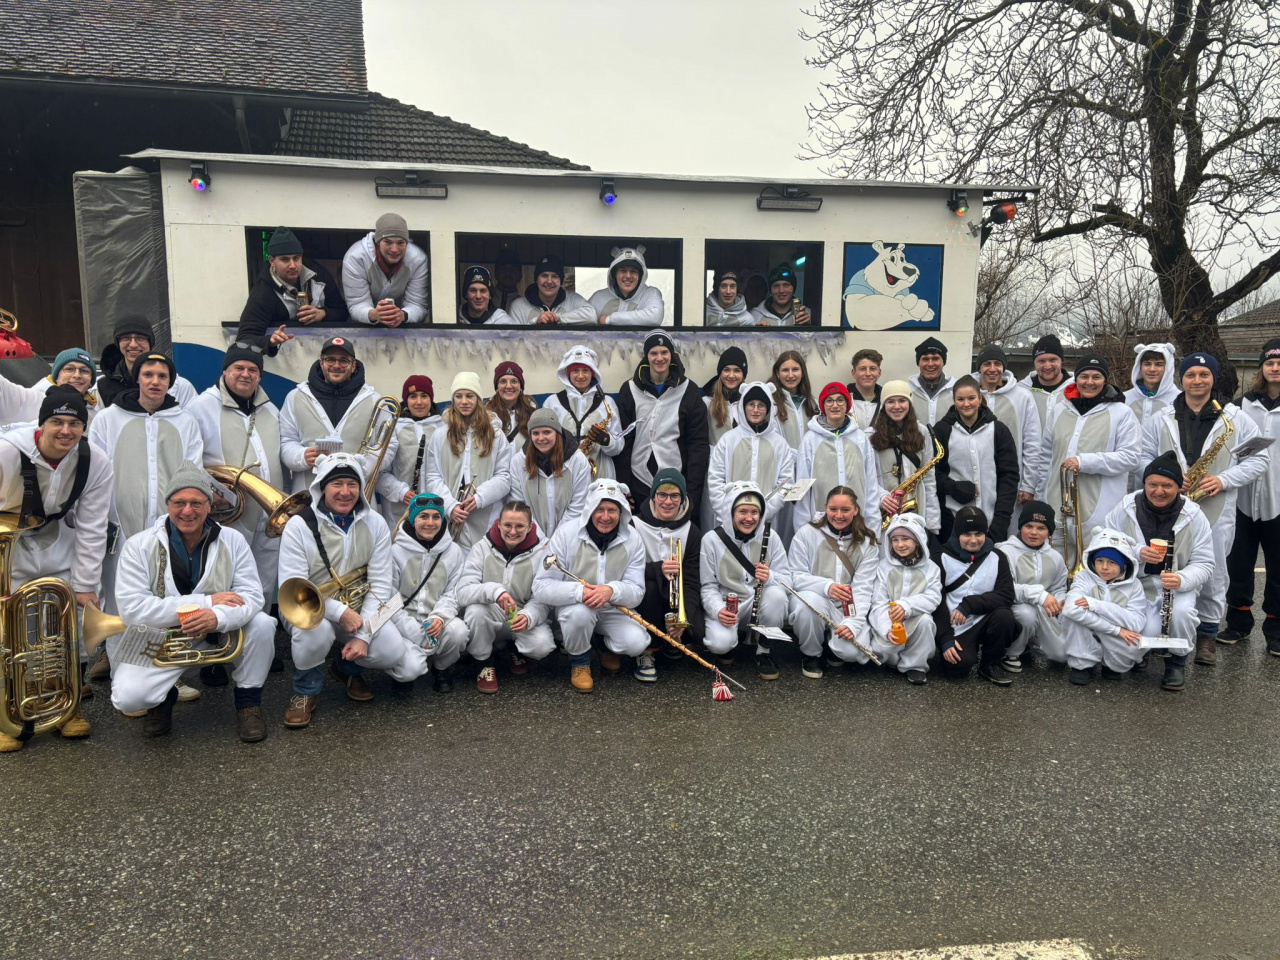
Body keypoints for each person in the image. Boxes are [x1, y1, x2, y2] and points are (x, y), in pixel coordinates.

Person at [110, 462, 274, 742]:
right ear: (168, 505)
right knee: (127, 698)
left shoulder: (233, 539)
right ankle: (163, 699)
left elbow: (252, 594)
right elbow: (132, 610)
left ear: (209, 506)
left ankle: (248, 703)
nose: (188, 511)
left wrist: (218, 618)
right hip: (158, 635)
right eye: (179, 503)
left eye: (197, 503)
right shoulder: (138, 545)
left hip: (217, 631)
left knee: (263, 624)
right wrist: (206, 603)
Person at [278, 454, 428, 727]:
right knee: (316, 632)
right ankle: (305, 690)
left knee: (393, 651)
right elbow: (292, 587)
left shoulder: (376, 523)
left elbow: (381, 585)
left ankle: (345, 668)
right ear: (322, 487)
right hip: (306, 607)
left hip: (362, 605)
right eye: (337, 484)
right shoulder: (298, 525)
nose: (345, 492)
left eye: (352, 484)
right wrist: (340, 612)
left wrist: (363, 637)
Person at [0, 387, 111, 752]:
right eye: (57, 422)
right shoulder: (6, 452)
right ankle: (10, 713)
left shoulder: (95, 461)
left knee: (72, 623)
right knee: (10, 629)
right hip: (9, 544)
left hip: (59, 538)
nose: (65, 430)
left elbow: (93, 525)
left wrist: (85, 584)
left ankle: (69, 705)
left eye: (74, 423)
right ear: (42, 423)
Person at [1140, 352, 1268, 666]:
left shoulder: (1235, 418)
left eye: (1204, 374)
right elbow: (1142, 457)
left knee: (1214, 570)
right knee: (1163, 566)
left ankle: (1207, 634)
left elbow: (1259, 459)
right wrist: (1164, 477)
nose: (1197, 381)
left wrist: (1224, 479)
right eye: (1191, 375)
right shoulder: (1162, 417)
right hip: (1169, 505)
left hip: (1215, 506)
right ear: (1181, 379)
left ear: (1213, 378)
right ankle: (1163, 628)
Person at [88, 352, 204, 614]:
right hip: (120, 525)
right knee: (118, 597)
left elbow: (193, 471)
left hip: (169, 526)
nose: (155, 381)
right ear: (137, 378)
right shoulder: (108, 419)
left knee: (167, 594)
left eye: (162, 376)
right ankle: (117, 641)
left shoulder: (185, 421)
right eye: (148, 375)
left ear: (170, 382)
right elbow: (95, 473)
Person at [189, 338, 284, 620]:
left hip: (270, 514)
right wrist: (211, 492)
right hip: (230, 515)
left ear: (260, 376)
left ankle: (259, 632)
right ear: (225, 371)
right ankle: (225, 634)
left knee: (264, 578)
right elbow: (189, 460)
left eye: (253, 370)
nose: (245, 374)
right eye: (238, 368)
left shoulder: (270, 410)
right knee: (226, 580)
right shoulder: (200, 407)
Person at [1104, 452, 1215, 692]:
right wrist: (1137, 553)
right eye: (1152, 484)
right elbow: (1106, 544)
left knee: (1182, 614)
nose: (1159, 491)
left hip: (1176, 584)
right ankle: (1138, 654)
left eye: (1167, 485)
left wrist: (1182, 579)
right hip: (1136, 582)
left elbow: (1205, 562)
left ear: (1178, 487)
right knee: (1144, 629)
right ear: (1144, 483)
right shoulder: (1125, 507)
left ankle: (1176, 662)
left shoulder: (1194, 515)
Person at [533, 479, 649, 692]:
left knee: (637, 643)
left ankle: (602, 645)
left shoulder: (633, 539)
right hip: (576, 606)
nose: (605, 517)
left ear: (621, 512)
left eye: (612, 510)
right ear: (589, 510)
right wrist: (580, 592)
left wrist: (612, 590)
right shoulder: (566, 534)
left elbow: (637, 591)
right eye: (599, 509)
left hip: (613, 607)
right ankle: (580, 662)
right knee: (579, 616)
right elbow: (541, 587)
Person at [1036, 354, 1142, 573]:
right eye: (1084, 376)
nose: (1090, 382)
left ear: (1105, 380)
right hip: (1058, 502)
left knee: (1096, 568)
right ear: (1076, 379)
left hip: (1100, 508)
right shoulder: (1060, 409)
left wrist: (1085, 461)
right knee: (1057, 567)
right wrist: (1041, 495)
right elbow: (1046, 455)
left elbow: (1130, 456)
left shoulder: (1122, 413)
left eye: (1096, 377)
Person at [455, 501, 556, 695]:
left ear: (530, 527)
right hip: (490, 611)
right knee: (475, 611)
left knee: (542, 645)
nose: (512, 531)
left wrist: (529, 616)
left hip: (521, 613)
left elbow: (543, 598)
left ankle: (512, 647)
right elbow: (463, 591)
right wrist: (495, 591)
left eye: (520, 526)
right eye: (507, 525)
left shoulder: (542, 553)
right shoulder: (482, 547)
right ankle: (484, 662)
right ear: (498, 524)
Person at [699, 481, 792, 680]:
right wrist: (718, 610)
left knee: (777, 596)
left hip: (760, 601)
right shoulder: (711, 540)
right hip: (727, 603)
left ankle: (764, 650)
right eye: (742, 511)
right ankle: (729, 644)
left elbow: (787, 581)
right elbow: (708, 586)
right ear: (730, 512)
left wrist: (770, 577)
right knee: (719, 644)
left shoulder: (771, 537)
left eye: (754, 512)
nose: (749, 518)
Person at [788, 485, 879, 679]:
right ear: (825, 508)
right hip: (815, 598)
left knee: (853, 653)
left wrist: (853, 624)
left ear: (856, 510)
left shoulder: (867, 542)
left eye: (845, 510)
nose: (838, 515)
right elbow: (794, 576)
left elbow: (863, 588)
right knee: (808, 604)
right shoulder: (806, 533)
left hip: (847, 606)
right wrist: (826, 586)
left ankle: (832, 646)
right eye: (833, 509)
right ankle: (812, 653)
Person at [1223, 338, 1280, 653]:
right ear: (1262, 368)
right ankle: (1238, 623)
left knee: (1278, 569)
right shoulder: (1242, 405)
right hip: (1243, 498)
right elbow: (1231, 445)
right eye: (1270, 363)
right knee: (1239, 564)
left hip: (1278, 499)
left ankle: (1276, 630)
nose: (1275, 368)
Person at [616, 331, 710, 512]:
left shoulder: (688, 390)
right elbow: (623, 441)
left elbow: (698, 444)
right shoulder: (630, 389)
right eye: (653, 353)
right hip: (638, 481)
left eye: (664, 352)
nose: (659, 358)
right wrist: (623, 485)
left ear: (671, 354)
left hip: (675, 482)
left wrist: (692, 492)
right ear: (646, 356)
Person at [279, 336, 382, 493]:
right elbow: (286, 440)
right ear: (321, 363)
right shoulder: (295, 397)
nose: (336, 365)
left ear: (353, 366)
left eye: (344, 361)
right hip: (307, 494)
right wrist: (302, 456)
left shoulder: (374, 400)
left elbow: (387, 445)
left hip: (354, 493)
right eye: (330, 359)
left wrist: (362, 466)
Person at [630, 469, 705, 681]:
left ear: (683, 498)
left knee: (699, 631)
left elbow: (692, 581)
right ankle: (648, 649)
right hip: (646, 596)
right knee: (652, 587)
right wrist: (658, 569)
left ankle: (670, 639)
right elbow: (625, 569)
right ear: (653, 496)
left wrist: (684, 617)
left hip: (676, 597)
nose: (668, 502)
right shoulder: (634, 525)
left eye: (674, 496)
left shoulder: (692, 532)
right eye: (662, 495)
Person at [423, 372, 513, 549]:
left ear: (478, 399)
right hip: (451, 518)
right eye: (459, 396)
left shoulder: (495, 435)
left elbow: (504, 477)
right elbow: (433, 477)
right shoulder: (440, 435)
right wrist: (450, 506)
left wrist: (480, 498)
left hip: (487, 518)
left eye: (470, 396)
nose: (464, 401)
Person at [390, 493, 468, 693]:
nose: (430, 523)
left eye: (436, 517)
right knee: (410, 670)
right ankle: (402, 671)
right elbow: (389, 600)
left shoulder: (453, 551)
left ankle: (441, 668)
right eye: (423, 516)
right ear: (412, 519)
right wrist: (415, 633)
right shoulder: (395, 551)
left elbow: (452, 593)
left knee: (458, 632)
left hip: (435, 619)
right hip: (403, 622)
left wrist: (439, 617)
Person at [934, 505, 1019, 685]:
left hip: (985, 618)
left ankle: (990, 663)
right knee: (958, 668)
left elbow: (1006, 595)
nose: (973, 540)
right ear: (957, 533)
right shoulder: (941, 557)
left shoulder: (998, 556)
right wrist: (945, 638)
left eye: (979, 534)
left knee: (1005, 616)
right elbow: (936, 600)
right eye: (967, 534)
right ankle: (956, 652)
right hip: (954, 625)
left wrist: (970, 604)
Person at [934, 376, 1019, 544]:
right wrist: (953, 487)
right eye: (960, 399)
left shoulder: (999, 430)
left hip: (992, 520)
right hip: (952, 520)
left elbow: (1009, 476)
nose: (966, 404)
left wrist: (1001, 519)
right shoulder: (942, 430)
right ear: (954, 401)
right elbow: (933, 473)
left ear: (980, 399)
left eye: (971, 398)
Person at [237, 226, 348, 355]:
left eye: (296, 258)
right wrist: (270, 341)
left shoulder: (319, 276)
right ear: (272, 261)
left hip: (324, 353)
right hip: (285, 357)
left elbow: (343, 312)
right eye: (285, 259)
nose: (293, 265)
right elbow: (244, 339)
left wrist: (323, 314)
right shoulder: (263, 293)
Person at [1062, 527, 1149, 685]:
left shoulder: (1134, 585)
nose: (1104, 567)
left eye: (1112, 562)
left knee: (1133, 641)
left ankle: (1111, 664)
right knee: (1073, 619)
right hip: (1109, 631)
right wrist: (1116, 630)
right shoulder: (1083, 577)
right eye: (1100, 561)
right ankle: (1082, 664)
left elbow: (1136, 622)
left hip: (1114, 637)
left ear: (1124, 563)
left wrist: (1096, 605)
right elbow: (1070, 609)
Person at [794, 382, 884, 535]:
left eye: (840, 400)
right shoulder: (810, 439)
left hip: (856, 523)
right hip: (821, 524)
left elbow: (870, 484)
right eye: (829, 401)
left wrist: (872, 526)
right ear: (823, 406)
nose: (835, 405)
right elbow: (802, 486)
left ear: (847, 404)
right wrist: (802, 529)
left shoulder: (860, 438)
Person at [707, 381, 795, 527]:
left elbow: (785, 483)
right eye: (751, 404)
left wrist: (764, 511)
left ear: (768, 409)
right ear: (743, 406)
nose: (755, 410)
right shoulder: (728, 440)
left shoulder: (779, 444)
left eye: (761, 405)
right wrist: (728, 512)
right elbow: (715, 479)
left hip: (766, 522)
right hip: (730, 521)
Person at [868, 513, 941, 684]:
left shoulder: (931, 568)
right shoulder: (884, 567)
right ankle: (893, 660)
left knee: (926, 621)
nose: (900, 545)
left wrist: (907, 605)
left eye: (906, 539)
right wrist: (886, 628)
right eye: (895, 540)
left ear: (918, 540)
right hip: (889, 620)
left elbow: (933, 597)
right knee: (882, 648)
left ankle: (915, 665)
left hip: (914, 618)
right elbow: (878, 602)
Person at [996, 501, 1068, 672]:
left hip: (1042, 611)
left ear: (1049, 531)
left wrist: (1060, 600)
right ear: (1021, 526)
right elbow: (1005, 589)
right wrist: (1040, 596)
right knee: (1026, 613)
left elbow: (1058, 587)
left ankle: (1030, 642)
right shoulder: (1005, 552)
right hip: (1013, 607)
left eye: (1041, 528)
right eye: (1029, 526)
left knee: (1062, 655)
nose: (1034, 532)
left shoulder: (1055, 557)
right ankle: (1010, 652)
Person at [870, 379, 941, 539]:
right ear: (883, 405)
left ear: (910, 403)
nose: (897, 406)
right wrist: (881, 497)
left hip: (915, 510)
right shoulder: (870, 436)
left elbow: (929, 479)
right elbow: (867, 477)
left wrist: (932, 522)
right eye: (890, 401)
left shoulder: (922, 432)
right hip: (884, 511)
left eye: (902, 400)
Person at [542, 345, 624, 481]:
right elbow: (544, 443)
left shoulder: (607, 402)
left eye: (586, 370)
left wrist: (607, 440)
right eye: (575, 370)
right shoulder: (552, 403)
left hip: (600, 474)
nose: (581, 376)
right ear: (568, 373)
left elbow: (618, 447)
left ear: (593, 373)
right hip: (563, 473)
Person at [975, 344, 1043, 504]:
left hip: (1010, 480)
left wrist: (1028, 485)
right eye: (986, 364)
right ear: (979, 368)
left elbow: (1032, 443)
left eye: (997, 364)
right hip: (975, 480)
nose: (992, 369)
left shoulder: (1022, 397)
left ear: (1004, 367)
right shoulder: (968, 396)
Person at [508, 409, 591, 538]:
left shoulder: (578, 460)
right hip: (532, 538)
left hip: (569, 536)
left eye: (547, 432)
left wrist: (557, 539)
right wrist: (540, 540)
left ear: (557, 433)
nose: (541, 438)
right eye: (535, 433)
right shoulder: (518, 462)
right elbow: (519, 505)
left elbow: (578, 505)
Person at [376, 376, 442, 529]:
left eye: (424, 396)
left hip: (435, 509)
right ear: (406, 400)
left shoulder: (443, 427)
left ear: (431, 399)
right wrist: (401, 492)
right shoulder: (393, 427)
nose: (419, 402)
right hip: (400, 510)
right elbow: (379, 473)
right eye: (413, 397)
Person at [342, 212, 429, 326]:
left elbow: (418, 305)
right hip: (361, 326)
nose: (394, 249)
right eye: (388, 242)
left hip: (401, 326)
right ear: (378, 242)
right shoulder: (356, 257)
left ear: (407, 243)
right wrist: (374, 314)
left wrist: (403, 315)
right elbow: (356, 303)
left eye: (400, 243)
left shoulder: (418, 260)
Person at [96, 316, 198, 408]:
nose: (133, 345)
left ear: (150, 342)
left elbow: (191, 421)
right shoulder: (101, 387)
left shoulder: (180, 387)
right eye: (126, 338)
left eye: (140, 338)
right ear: (118, 343)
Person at [1123, 342, 1178, 488]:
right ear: (1139, 367)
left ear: (1168, 367)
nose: (1152, 369)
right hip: (1126, 476)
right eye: (1147, 364)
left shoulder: (1179, 400)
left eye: (1159, 364)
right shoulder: (1125, 399)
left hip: (1165, 479)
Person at [0, 347, 101, 425]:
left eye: (84, 371)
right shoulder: (29, 400)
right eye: (70, 369)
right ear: (56, 376)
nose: (77, 375)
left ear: (91, 382)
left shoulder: (97, 416)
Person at [508, 254, 595, 325]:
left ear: (561, 281)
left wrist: (557, 318)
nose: (549, 281)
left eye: (554, 276)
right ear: (536, 279)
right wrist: (536, 322)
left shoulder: (572, 299)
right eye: (544, 276)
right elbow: (513, 338)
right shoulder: (519, 305)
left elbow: (591, 316)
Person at [588, 245, 665, 325]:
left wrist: (609, 319)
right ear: (614, 274)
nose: (628, 276)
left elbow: (655, 317)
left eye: (633, 271)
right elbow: (584, 318)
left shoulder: (650, 294)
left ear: (641, 276)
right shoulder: (598, 298)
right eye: (623, 271)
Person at [1020, 333, 1073, 434]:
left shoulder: (1077, 388)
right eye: (1041, 361)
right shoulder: (1021, 390)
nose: (1047, 366)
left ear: (1061, 361)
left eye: (1053, 360)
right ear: (1034, 363)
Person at [768, 350, 820, 451]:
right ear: (777, 374)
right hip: (783, 460)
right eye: (785, 370)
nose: (791, 375)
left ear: (802, 373)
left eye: (795, 369)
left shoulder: (813, 404)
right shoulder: (771, 403)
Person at [704, 346, 748, 450]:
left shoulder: (750, 402)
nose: (731, 375)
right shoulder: (707, 403)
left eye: (737, 370)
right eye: (726, 370)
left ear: (743, 374)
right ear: (720, 373)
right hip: (716, 459)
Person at [486, 361, 536, 452]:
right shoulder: (487, 415)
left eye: (514, 381)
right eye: (503, 381)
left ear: (521, 386)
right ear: (497, 387)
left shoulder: (532, 412)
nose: (509, 386)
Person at [908, 337, 954, 426]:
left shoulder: (956, 390)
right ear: (918, 363)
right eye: (925, 359)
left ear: (943, 362)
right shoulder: (908, 389)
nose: (930, 364)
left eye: (935, 358)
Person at [846, 348, 883, 434]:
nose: (868, 374)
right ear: (854, 373)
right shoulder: (842, 400)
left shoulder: (886, 401)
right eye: (862, 369)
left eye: (872, 369)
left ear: (879, 373)